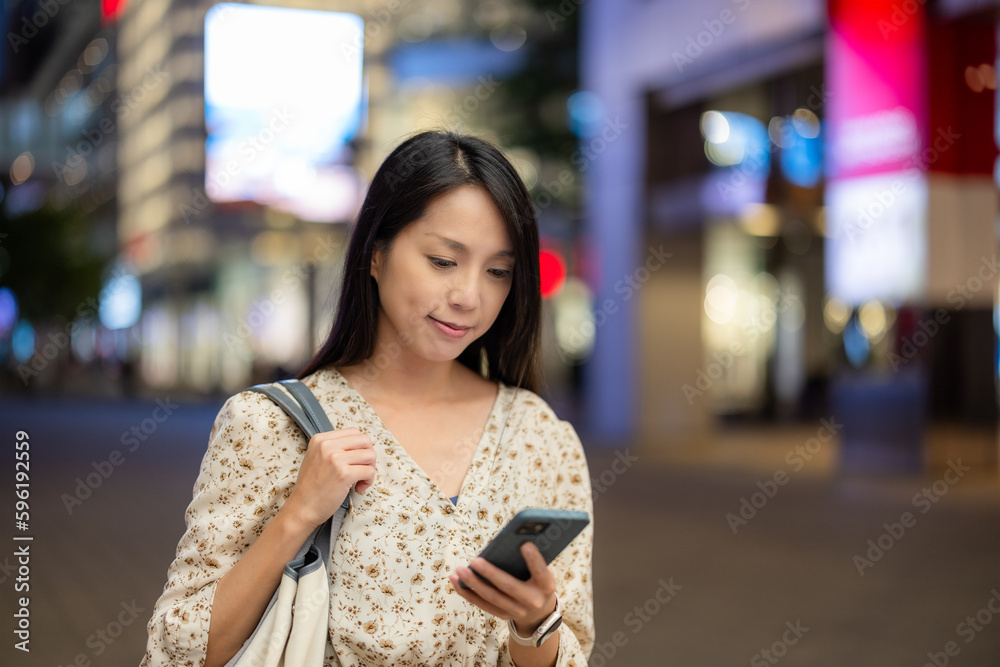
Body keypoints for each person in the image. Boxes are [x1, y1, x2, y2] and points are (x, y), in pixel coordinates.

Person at [140, 130, 595, 667]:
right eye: (443, 261)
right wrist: (297, 515)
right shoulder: (270, 425)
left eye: (497, 272)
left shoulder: (542, 439)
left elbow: (574, 652)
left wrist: (534, 623)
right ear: (376, 255)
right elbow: (178, 651)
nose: (469, 296)